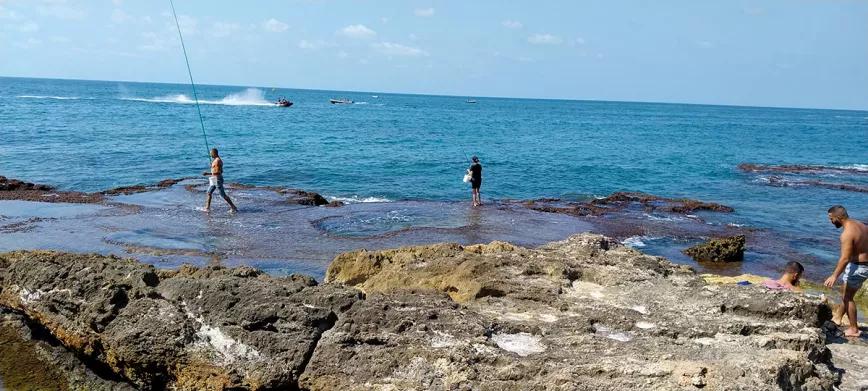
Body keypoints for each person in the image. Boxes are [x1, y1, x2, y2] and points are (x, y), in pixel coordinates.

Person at [823, 205, 868, 337]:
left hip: (858, 267)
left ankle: (854, 329)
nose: (831, 222)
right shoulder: (861, 224)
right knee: (845, 291)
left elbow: (845, 258)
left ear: (838, 217)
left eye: (831, 219)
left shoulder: (847, 234)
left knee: (847, 297)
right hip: (864, 265)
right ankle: (837, 317)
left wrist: (834, 276)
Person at [202, 148, 238, 213]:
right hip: (214, 179)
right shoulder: (215, 160)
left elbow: (219, 172)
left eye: (211, 154)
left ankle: (233, 207)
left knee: (222, 195)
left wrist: (207, 173)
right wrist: (212, 169)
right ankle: (207, 208)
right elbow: (217, 171)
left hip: (218, 179)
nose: (210, 155)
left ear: (214, 153)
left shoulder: (217, 161)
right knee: (209, 193)